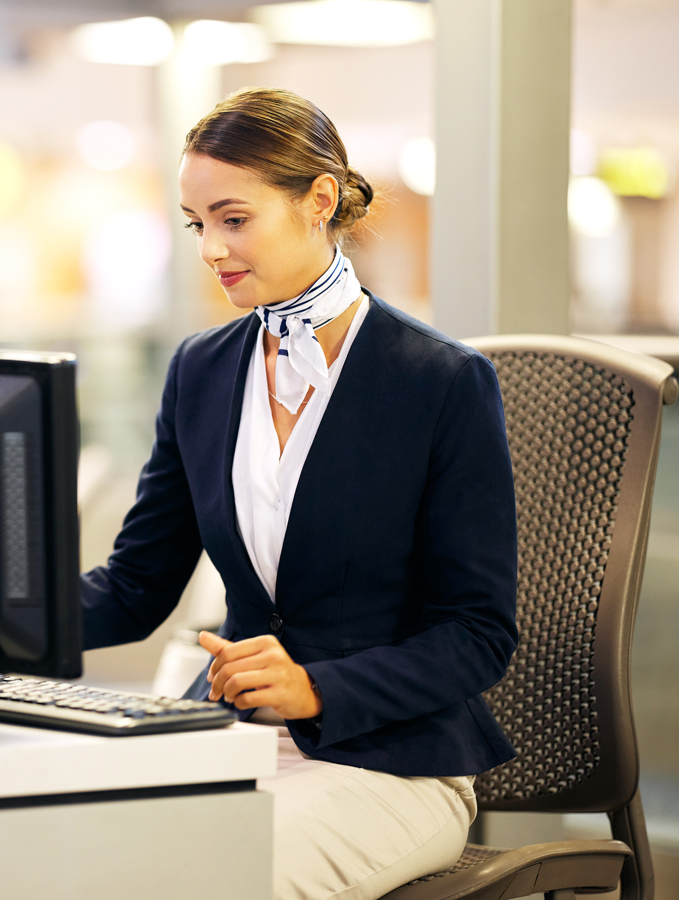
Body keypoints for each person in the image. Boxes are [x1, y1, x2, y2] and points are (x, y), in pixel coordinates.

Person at [80, 87, 519, 900]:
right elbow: (136, 587)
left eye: (233, 218)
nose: (210, 248)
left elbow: (477, 633)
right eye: (196, 223)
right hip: (229, 739)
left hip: (390, 762)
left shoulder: (442, 382)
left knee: (214, 873)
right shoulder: (202, 371)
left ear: (319, 201)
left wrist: (318, 688)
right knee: (61, 846)